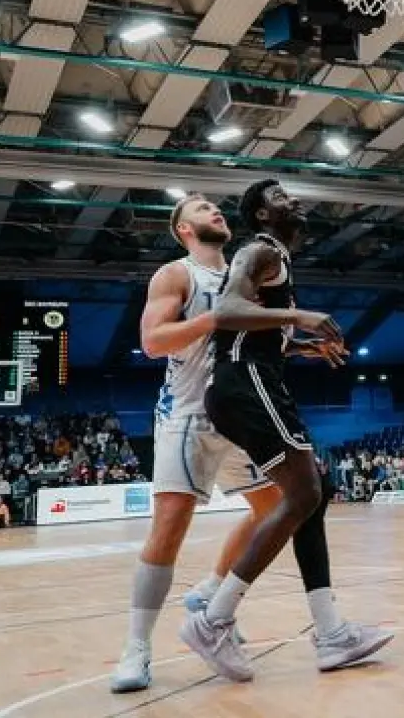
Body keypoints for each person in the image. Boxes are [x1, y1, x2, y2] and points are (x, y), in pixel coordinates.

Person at [180, 179, 391, 683]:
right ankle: (214, 619)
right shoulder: (260, 250)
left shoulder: (275, 258)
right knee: (303, 495)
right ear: (261, 216)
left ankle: (331, 632)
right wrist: (299, 316)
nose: (292, 200)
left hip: (252, 382)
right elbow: (225, 313)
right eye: (278, 197)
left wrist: (297, 346)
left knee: (314, 493)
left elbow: (252, 333)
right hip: (245, 385)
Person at [111, 193, 283, 694]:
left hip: (239, 413)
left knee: (277, 510)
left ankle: (211, 593)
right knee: (170, 526)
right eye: (201, 208)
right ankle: (136, 648)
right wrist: (215, 318)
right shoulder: (176, 274)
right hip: (188, 413)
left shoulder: (244, 277)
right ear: (183, 229)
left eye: (215, 206)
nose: (214, 210)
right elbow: (153, 341)